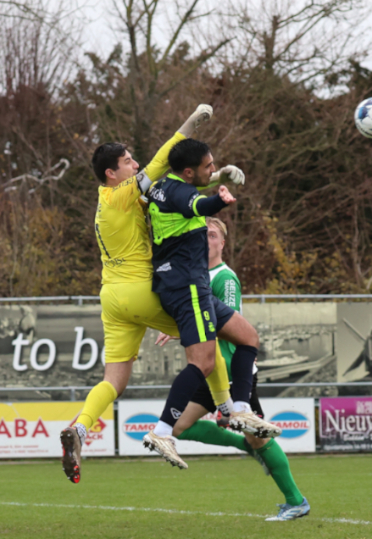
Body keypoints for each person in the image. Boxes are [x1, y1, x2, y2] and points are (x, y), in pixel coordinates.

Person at [59, 105, 272, 483]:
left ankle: (79, 428)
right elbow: (163, 161)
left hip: (111, 298)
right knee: (206, 343)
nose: (135, 164)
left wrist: (215, 176)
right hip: (144, 289)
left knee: (114, 380)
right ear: (112, 173)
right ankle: (228, 409)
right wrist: (194, 119)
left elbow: (175, 193)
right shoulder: (122, 194)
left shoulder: (109, 203)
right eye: (127, 161)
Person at [156, 217, 309, 520]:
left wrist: (181, 329)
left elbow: (230, 325)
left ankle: (296, 501)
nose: (206, 239)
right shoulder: (196, 275)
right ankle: (249, 448)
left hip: (230, 368)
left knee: (258, 436)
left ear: (222, 243)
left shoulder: (224, 278)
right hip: (208, 367)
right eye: (202, 235)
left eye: (212, 235)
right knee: (177, 428)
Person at [141, 139, 277, 466]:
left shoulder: (161, 187)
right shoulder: (181, 195)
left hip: (184, 285)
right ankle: (161, 431)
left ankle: (241, 411)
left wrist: (219, 177)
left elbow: (189, 192)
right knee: (202, 363)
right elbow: (199, 205)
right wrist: (220, 200)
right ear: (188, 172)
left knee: (248, 338)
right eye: (208, 166)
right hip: (187, 287)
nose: (212, 169)